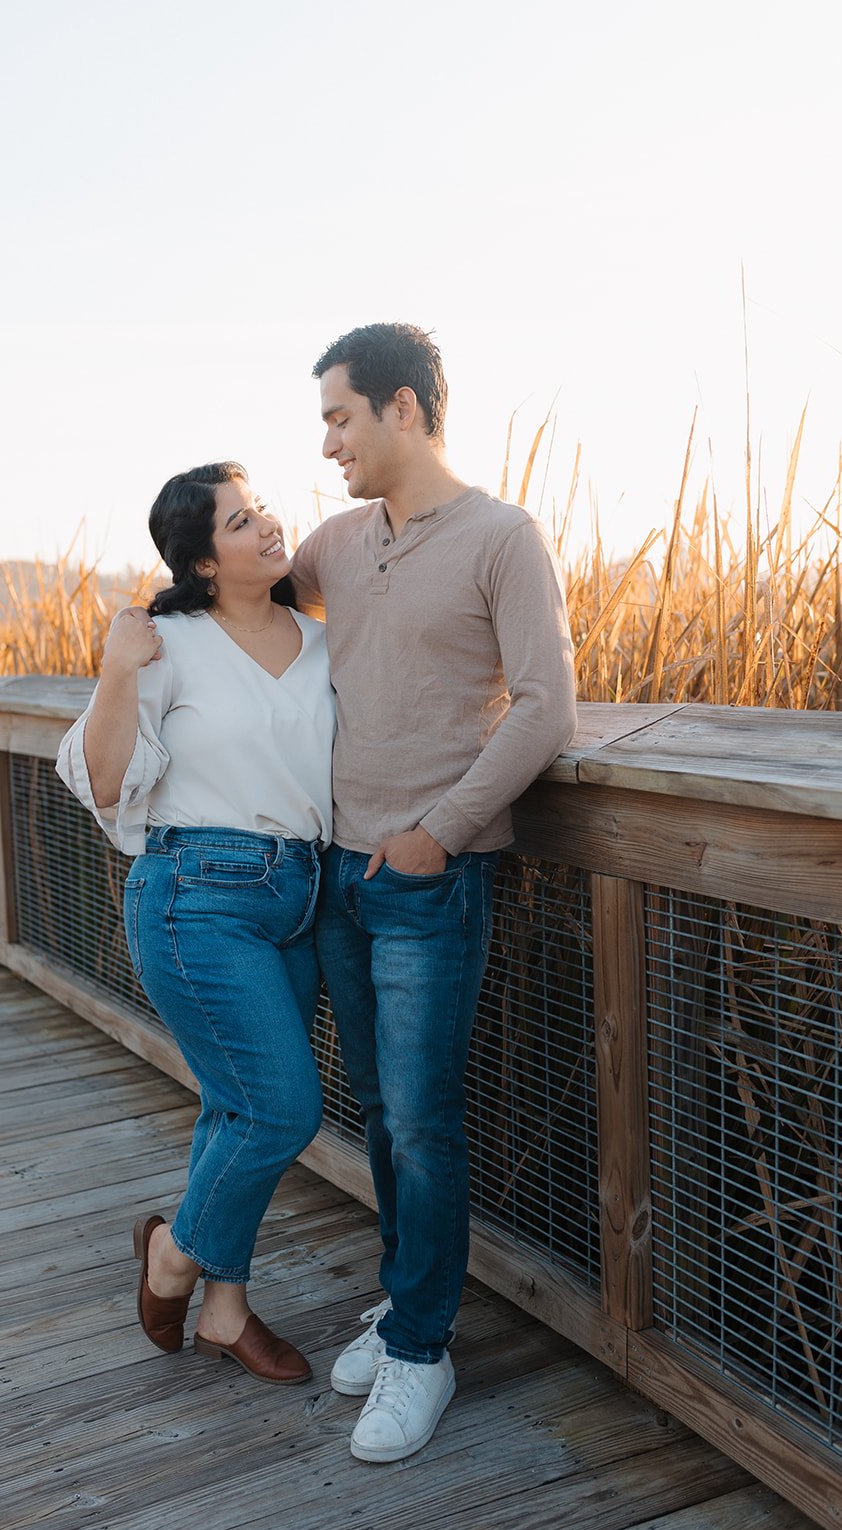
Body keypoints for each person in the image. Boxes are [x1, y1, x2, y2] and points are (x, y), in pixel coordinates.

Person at [291, 323, 577, 1460]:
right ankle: (406, 1303)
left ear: (403, 408)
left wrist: (440, 833)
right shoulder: (335, 542)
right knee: (373, 1110)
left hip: (425, 879)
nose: (327, 444)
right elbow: (239, 593)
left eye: (339, 417)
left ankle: (419, 1348)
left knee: (419, 1119)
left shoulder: (503, 538)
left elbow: (548, 705)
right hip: (333, 875)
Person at [56, 461, 335, 1385]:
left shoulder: (320, 639)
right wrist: (113, 671)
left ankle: (224, 1308)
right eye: (239, 521)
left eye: (261, 511)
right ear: (203, 561)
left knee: (234, 1109)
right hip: (197, 895)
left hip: (302, 892)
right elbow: (101, 780)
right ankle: (173, 1255)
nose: (265, 527)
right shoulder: (168, 641)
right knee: (282, 1108)